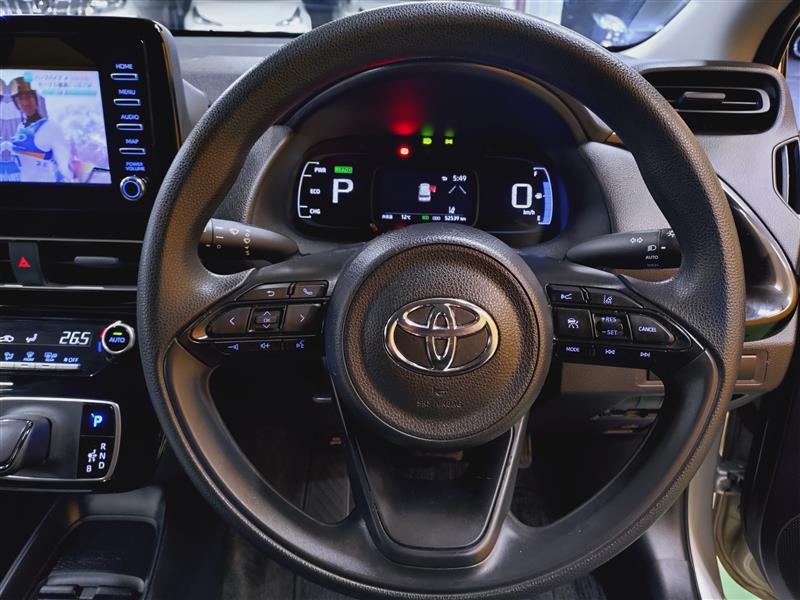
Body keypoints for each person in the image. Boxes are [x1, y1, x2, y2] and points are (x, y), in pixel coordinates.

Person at [9, 76, 75, 183]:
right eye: (20, 99)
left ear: (35, 99)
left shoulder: (51, 126)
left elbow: (65, 166)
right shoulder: (21, 127)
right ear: (17, 104)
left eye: (28, 97)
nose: (25, 103)